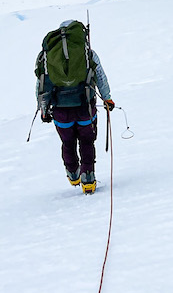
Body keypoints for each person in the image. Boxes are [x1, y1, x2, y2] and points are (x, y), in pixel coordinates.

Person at [35, 20, 115, 194]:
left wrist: (43, 109)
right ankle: (88, 179)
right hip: (85, 107)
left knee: (67, 142)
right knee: (87, 141)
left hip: (60, 111)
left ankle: (73, 174)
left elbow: (41, 84)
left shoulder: (48, 55)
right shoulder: (88, 54)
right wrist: (107, 99)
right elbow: (100, 76)